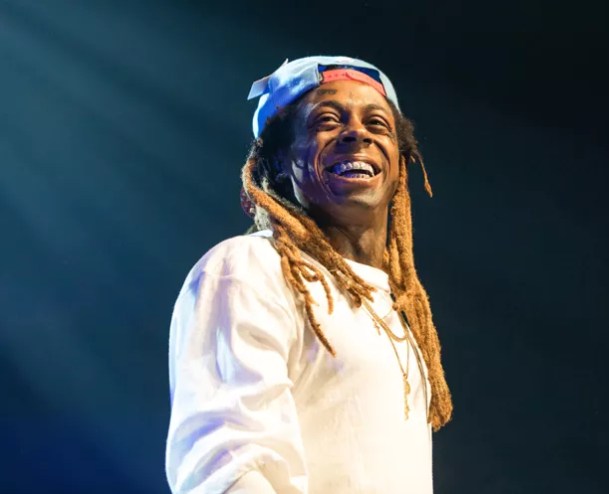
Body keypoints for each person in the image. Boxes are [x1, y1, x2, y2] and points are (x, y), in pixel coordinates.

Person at [165, 56, 453, 494]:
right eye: (328, 120)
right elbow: (226, 465)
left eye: (377, 124)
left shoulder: (395, 302)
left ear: (400, 163)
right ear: (280, 159)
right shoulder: (251, 267)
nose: (357, 133)